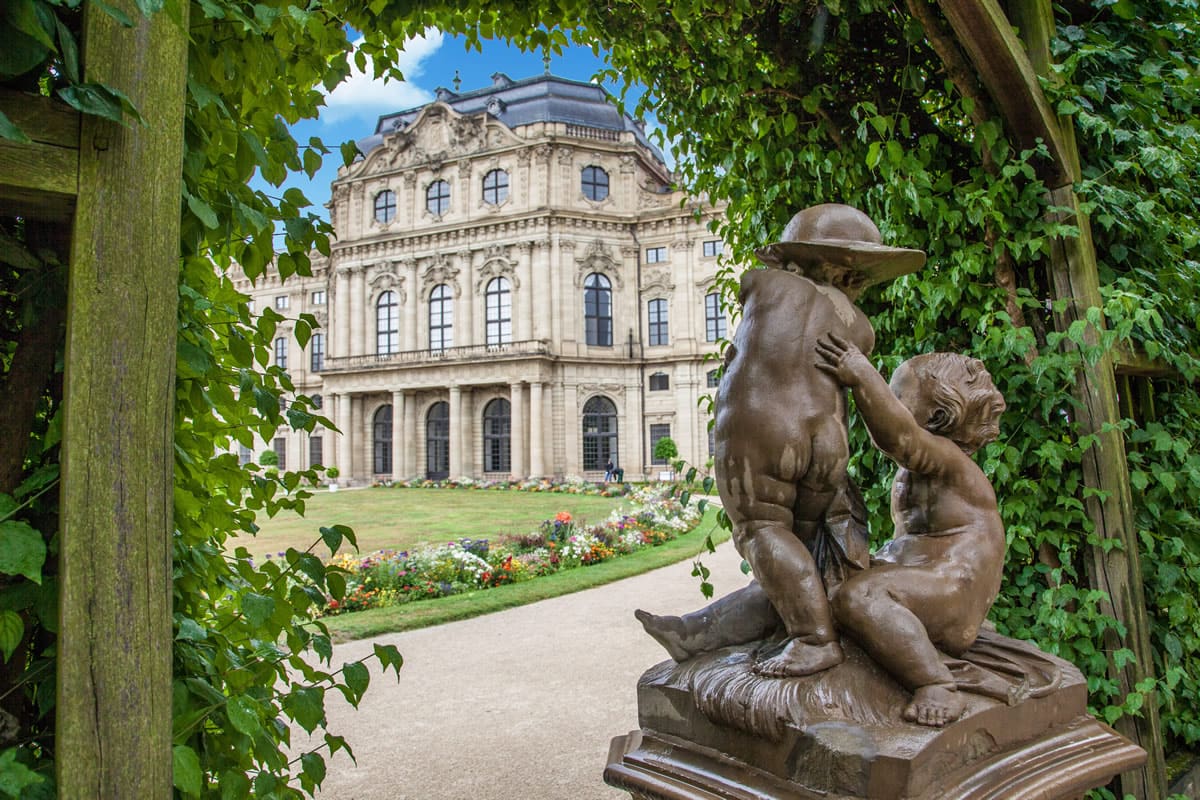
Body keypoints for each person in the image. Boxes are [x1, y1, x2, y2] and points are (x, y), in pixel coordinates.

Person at [705, 204, 924, 678]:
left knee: (762, 527)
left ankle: (814, 638)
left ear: (791, 261)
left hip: (764, 431)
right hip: (827, 441)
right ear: (848, 273)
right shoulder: (857, 324)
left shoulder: (761, 289)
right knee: (801, 536)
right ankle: (796, 613)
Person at [815, 335, 1007, 727]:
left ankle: (936, 683)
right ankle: (697, 631)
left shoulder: (951, 462)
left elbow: (897, 437)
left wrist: (862, 376)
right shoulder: (921, 469)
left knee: (860, 596)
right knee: (816, 576)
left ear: (936, 419)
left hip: (956, 588)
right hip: (922, 580)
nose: (885, 401)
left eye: (896, 396)